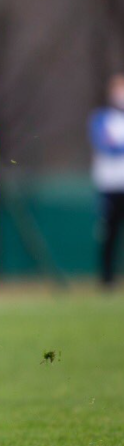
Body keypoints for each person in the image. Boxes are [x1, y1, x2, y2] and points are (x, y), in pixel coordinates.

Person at [89, 74, 124, 289]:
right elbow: (105, 145)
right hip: (109, 185)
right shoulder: (101, 118)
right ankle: (107, 279)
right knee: (109, 234)